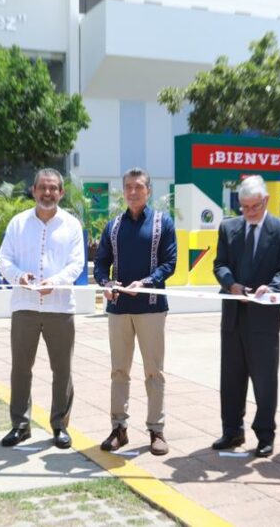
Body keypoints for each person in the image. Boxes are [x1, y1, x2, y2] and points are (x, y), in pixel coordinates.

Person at [0, 168, 85, 450]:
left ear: (61, 192)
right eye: (42, 188)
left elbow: (76, 264)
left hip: (60, 307)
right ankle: (20, 426)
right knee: (21, 368)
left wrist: (56, 283)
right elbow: (4, 258)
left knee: (62, 370)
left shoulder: (71, 225)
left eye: (53, 188)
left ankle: (60, 425)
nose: (47, 193)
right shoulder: (18, 223)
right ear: (33, 190)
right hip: (25, 306)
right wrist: (18, 277)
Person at [211, 175, 280, 457]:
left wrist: (272, 288)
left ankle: (265, 434)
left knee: (264, 379)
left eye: (255, 206)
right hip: (234, 316)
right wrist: (230, 284)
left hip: (264, 318)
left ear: (266, 201)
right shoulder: (228, 227)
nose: (249, 212)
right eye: (244, 207)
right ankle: (232, 430)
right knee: (232, 378)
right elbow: (220, 264)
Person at [93, 168, 177, 456]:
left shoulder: (162, 223)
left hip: (151, 308)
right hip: (118, 308)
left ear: (148, 190)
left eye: (138, 187)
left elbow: (170, 263)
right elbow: (101, 263)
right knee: (119, 371)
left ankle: (156, 430)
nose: (132, 192)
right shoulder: (113, 226)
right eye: (128, 187)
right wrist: (105, 284)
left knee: (154, 372)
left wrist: (146, 283)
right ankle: (119, 428)